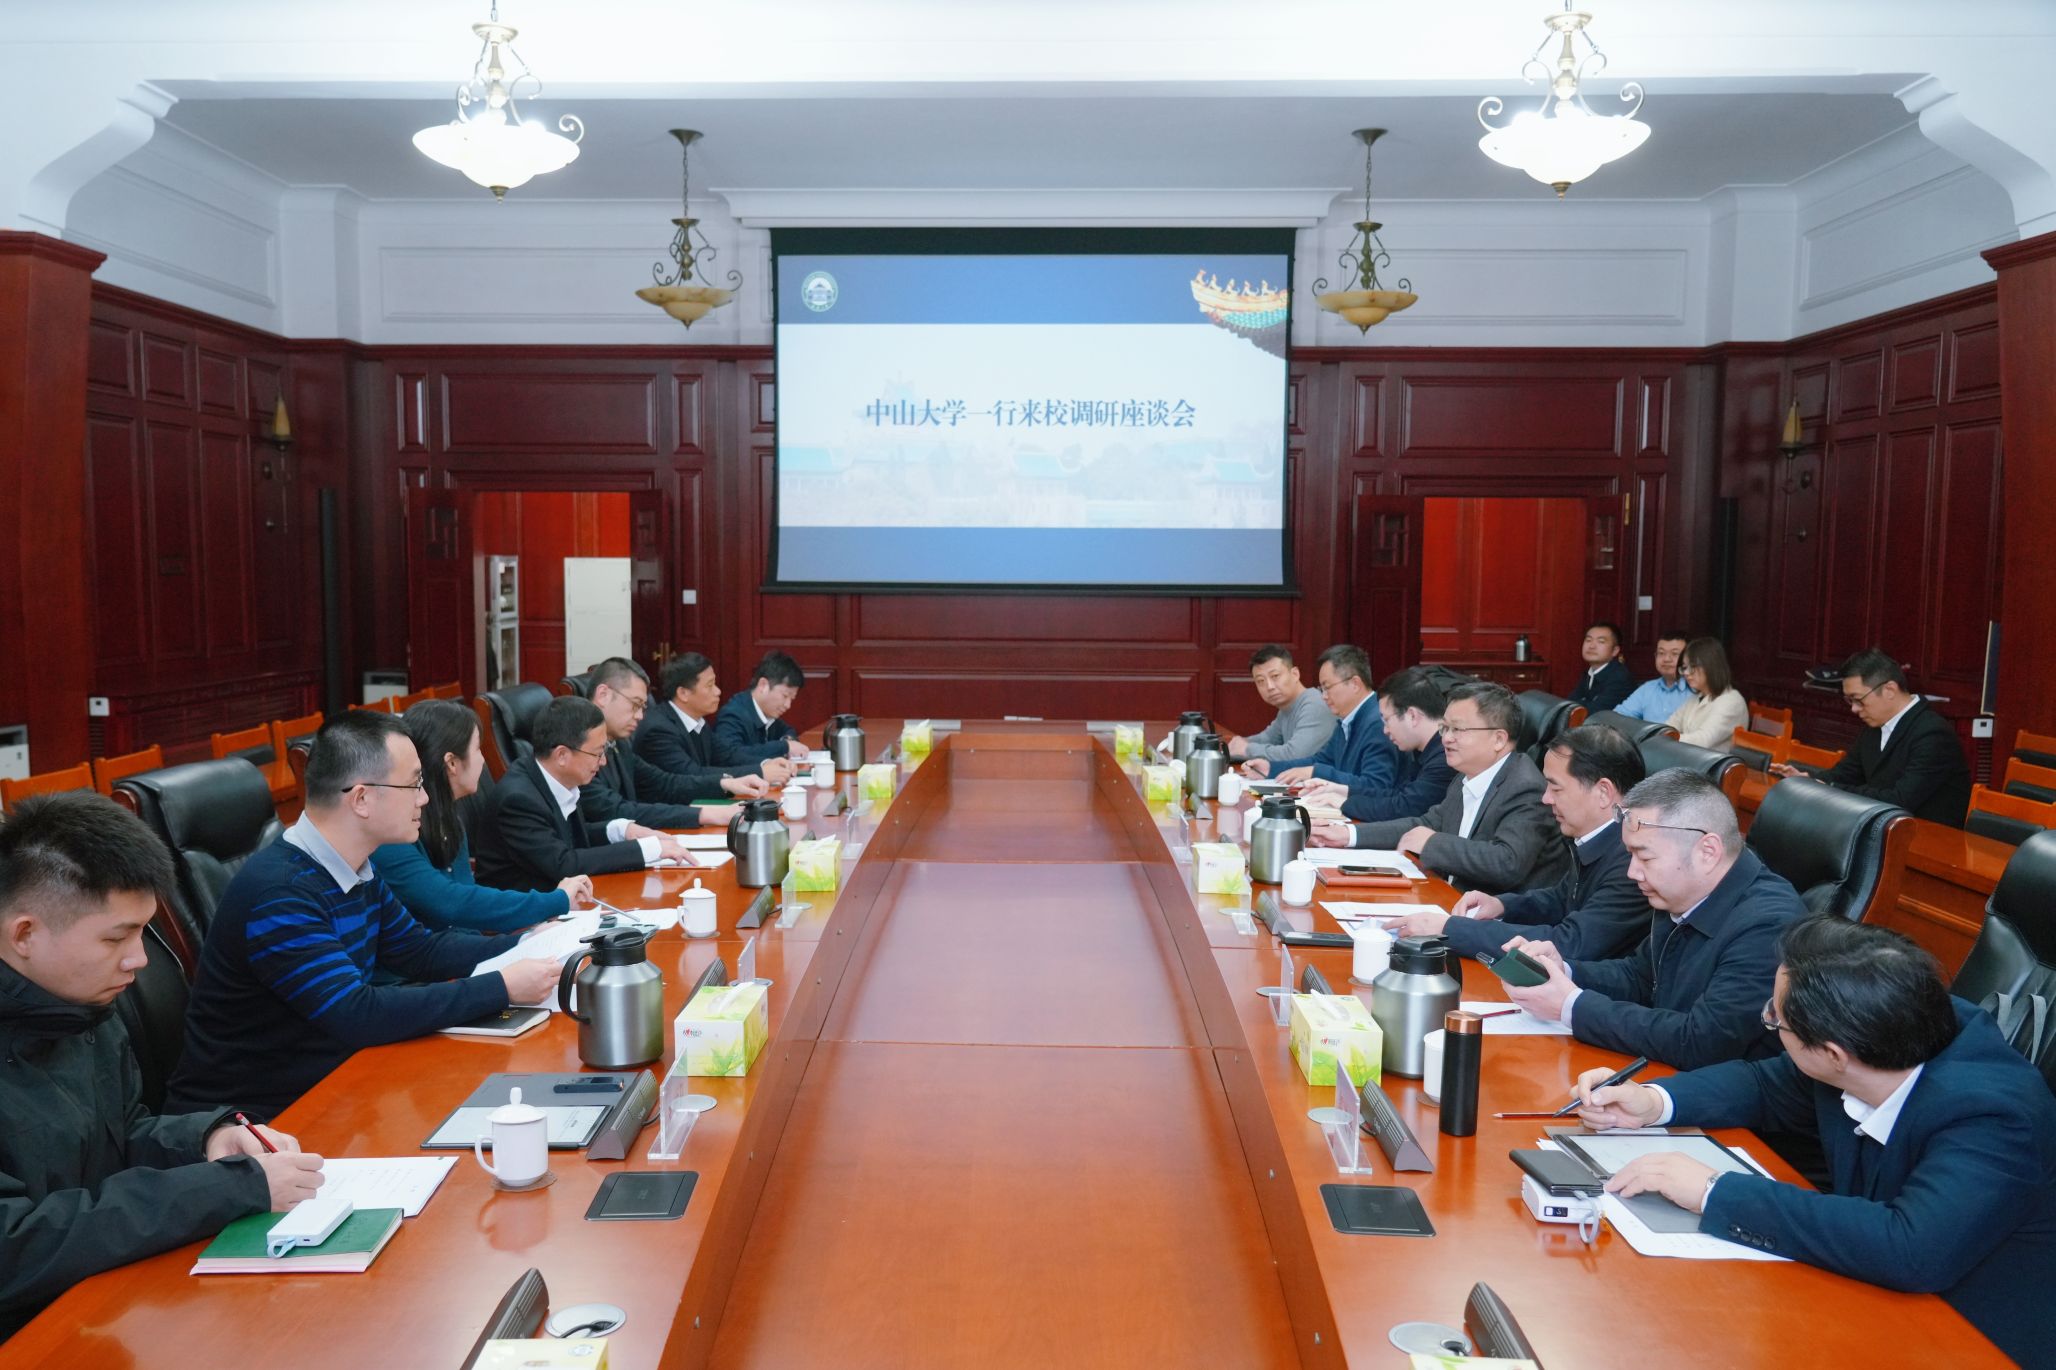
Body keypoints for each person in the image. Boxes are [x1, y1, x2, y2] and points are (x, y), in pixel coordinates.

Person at [1577, 917, 2056, 1367]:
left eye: (1776, 1020)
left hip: (1966, 1336)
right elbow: (1765, 1085)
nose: (1769, 1019)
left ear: (1832, 1054)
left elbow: (1912, 1249)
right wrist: (1654, 1102)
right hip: (1866, 1291)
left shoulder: (1993, 1115)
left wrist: (1713, 1191)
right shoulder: (1879, 1029)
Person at [0, 792, 325, 1342]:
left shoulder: (80, 1007)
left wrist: (209, 1139)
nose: (139, 960)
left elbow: (120, 1137)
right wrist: (224, 1190)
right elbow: (14, 1247)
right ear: (25, 934)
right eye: (116, 937)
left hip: (97, 1304)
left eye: (142, 932)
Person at [168, 712, 561, 1116]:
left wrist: (529, 944)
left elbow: (419, 951)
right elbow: (357, 1013)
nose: (425, 798)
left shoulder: (355, 867)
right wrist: (501, 986)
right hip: (253, 1119)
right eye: (414, 784)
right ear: (361, 799)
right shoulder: (280, 892)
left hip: (334, 1085)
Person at [1500, 767, 1805, 1069]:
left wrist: (1571, 1006)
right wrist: (1564, 971)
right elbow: (1640, 977)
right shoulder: (1679, 890)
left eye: (1644, 857)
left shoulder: (1769, 925)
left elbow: (1701, 1041)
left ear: (1707, 851)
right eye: (1630, 855)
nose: (1632, 872)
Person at [1393, 724, 1652, 961]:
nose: (1546, 799)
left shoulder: (1633, 860)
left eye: (1556, 788)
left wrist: (1451, 929)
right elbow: (1560, 899)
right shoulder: (1598, 837)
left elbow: (1570, 942)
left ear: (1603, 792)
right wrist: (1502, 905)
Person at [1316, 681, 1570, 895]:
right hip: (1449, 898)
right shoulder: (1465, 776)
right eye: (1445, 728)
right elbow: (1426, 823)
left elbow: (1507, 862)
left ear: (1498, 739)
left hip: (1502, 922)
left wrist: (1432, 842)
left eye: (1457, 729)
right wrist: (1347, 834)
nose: (1446, 738)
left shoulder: (1525, 787)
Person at [371, 700, 594, 933]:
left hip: (467, 949)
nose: (483, 760)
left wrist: (526, 935)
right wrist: (554, 901)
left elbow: (466, 910)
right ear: (452, 763)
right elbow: (452, 902)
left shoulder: (450, 820)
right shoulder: (392, 836)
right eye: (478, 749)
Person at [472, 695, 703, 893]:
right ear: (562, 755)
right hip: (523, 917)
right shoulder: (518, 800)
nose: (603, 762)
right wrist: (649, 849)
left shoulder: (555, 777)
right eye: (597, 753)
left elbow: (571, 838)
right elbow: (565, 864)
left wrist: (622, 830)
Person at [1769, 647, 1971, 827]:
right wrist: (1808, 781)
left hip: (1928, 838)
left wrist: (1830, 788)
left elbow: (1900, 800)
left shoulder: (1933, 734)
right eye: (1850, 701)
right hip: (1882, 828)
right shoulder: (1875, 725)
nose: (1854, 709)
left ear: (1889, 690)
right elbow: (1844, 773)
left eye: (1858, 700)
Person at [579, 657, 740, 834]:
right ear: (603, 695)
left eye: (642, 707)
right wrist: (703, 815)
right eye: (635, 704)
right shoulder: (576, 747)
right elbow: (616, 810)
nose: (640, 716)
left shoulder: (618, 743)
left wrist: (724, 784)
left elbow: (663, 783)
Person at [1297, 667, 1454, 824]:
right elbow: (1397, 794)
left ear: (1412, 716)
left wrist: (1344, 803)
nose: (1385, 730)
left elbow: (1405, 807)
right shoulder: (1425, 750)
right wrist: (1342, 790)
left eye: (1386, 720)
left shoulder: (1445, 755)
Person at [1240, 644, 1397, 793]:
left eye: (1327, 687)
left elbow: (1375, 786)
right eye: (1322, 689)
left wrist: (1316, 772)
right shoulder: (1347, 720)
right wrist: (1271, 768)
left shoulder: (1379, 722)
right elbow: (1322, 760)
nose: (1324, 696)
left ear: (1355, 684)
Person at [634, 652, 785, 790]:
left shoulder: (697, 721)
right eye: (710, 685)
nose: (718, 691)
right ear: (683, 693)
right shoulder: (659, 730)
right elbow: (691, 774)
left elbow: (727, 755)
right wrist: (760, 772)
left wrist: (766, 763)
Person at [1222, 644, 1335, 763]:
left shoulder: (1315, 704)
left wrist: (1247, 749)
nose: (1269, 686)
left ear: (1295, 674)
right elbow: (1267, 738)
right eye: (1261, 681)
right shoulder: (1287, 707)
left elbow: (1295, 755)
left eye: (1275, 676)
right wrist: (1237, 744)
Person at [711, 651, 811, 769]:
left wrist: (788, 740)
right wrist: (784, 746)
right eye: (785, 696)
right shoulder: (733, 714)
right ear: (763, 685)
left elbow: (787, 730)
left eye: (792, 699)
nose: (788, 705)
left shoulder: (767, 713)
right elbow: (731, 755)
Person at [1665, 636, 1749, 748]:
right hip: (1689, 755)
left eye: (1693, 666)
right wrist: (1659, 734)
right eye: (1684, 667)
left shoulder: (1732, 701)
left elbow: (1703, 740)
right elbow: (1670, 725)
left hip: (1711, 759)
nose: (1686, 673)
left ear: (1711, 665)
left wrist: (1665, 738)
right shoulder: (1696, 697)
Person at [1613, 630, 1694, 723]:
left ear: (1689, 658)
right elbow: (1618, 717)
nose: (1666, 659)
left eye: (1675, 654)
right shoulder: (1648, 688)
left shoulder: (1696, 689)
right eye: (1661, 653)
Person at [1568, 621, 1635, 713]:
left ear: (1615, 651)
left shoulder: (1620, 678)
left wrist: (1582, 703)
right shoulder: (1589, 673)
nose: (1592, 646)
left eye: (1601, 641)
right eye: (1588, 640)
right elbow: (1568, 705)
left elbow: (1594, 713)